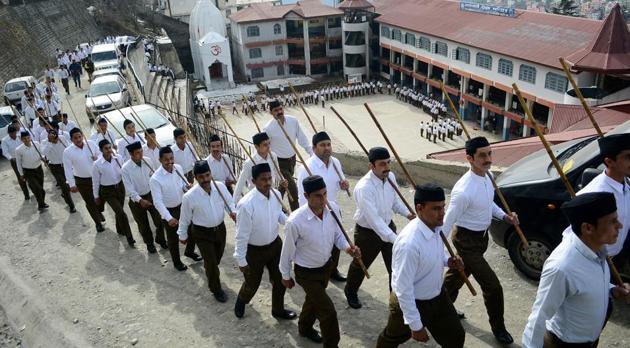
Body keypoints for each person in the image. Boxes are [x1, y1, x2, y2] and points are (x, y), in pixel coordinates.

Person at [522, 192, 630, 347]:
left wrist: (612, 290)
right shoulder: (562, 267)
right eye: (612, 222)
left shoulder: (598, 248)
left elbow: (587, 282)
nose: (620, 225)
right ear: (587, 228)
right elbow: (539, 316)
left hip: (590, 338)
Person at [441, 136, 519, 344]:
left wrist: (505, 217)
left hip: (481, 239)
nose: (488, 159)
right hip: (466, 242)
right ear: (469, 158)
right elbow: (447, 222)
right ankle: (499, 328)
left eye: (490, 153)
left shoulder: (488, 176)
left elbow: (488, 205)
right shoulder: (463, 191)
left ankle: (440, 308)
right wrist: (436, 252)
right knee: (493, 286)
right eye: (482, 155)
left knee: (457, 276)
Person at [376, 184, 466, 348]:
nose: (442, 213)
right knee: (390, 340)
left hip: (438, 297)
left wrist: (448, 261)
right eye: (436, 209)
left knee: (456, 336)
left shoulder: (435, 227)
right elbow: (404, 289)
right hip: (411, 302)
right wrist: (416, 326)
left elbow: (432, 254)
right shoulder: (409, 244)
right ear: (419, 208)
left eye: (443, 207)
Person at [280, 175, 361, 347]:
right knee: (328, 312)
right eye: (318, 195)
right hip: (306, 273)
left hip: (325, 267)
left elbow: (338, 234)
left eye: (325, 193)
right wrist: (285, 275)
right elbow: (287, 252)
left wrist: (348, 248)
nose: (323, 199)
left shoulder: (333, 210)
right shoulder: (295, 221)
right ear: (306, 196)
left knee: (312, 301)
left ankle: (304, 328)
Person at [345, 147, 414, 309]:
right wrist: (396, 239)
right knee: (360, 265)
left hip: (388, 227)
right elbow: (374, 220)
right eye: (382, 164)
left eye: (388, 163)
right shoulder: (364, 188)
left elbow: (395, 202)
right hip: (367, 233)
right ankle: (351, 290)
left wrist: (408, 214)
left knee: (395, 267)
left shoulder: (390, 177)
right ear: (371, 166)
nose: (387, 168)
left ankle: (395, 299)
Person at [233, 163, 296, 319]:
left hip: (275, 245)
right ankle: (241, 300)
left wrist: (289, 222)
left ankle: (278, 310)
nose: (268, 182)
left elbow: (278, 214)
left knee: (280, 278)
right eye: (263, 179)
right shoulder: (246, 205)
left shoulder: (275, 194)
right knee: (252, 283)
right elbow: (241, 235)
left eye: (269, 178)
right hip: (254, 251)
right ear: (254, 181)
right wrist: (241, 260)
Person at [177, 160, 235, 302]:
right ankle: (216, 289)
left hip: (220, 230)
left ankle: (210, 268)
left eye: (207, 175)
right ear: (196, 178)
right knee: (211, 263)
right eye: (201, 177)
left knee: (217, 258)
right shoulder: (189, 197)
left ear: (211, 174)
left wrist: (233, 212)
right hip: (202, 233)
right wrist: (182, 234)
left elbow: (230, 202)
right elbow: (184, 219)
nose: (205, 180)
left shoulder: (220, 186)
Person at [296, 131, 350, 282]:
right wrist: (307, 218)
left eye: (328, 144)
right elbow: (302, 196)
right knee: (318, 242)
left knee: (336, 240)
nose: (326, 148)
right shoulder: (306, 168)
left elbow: (339, 185)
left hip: (333, 209)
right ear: (314, 148)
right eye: (322, 145)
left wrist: (344, 185)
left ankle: (333, 270)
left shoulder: (336, 163)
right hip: (315, 212)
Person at [574, 133, 630, 271]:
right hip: (599, 262)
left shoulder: (626, 182)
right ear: (610, 162)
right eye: (628, 157)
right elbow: (574, 237)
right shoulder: (594, 195)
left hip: (620, 254)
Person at [149, 146, 201, 271]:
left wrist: (186, 187)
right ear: (160, 160)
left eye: (171, 158)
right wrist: (168, 218)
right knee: (173, 239)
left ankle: (189, 252)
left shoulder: (178, 168)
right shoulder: (155, 179)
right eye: (166, 159)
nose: (170, 162)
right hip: (169, 211)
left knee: (192, 230)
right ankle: (177, 262)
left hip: (183, 206)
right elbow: (157, 202)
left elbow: (182, 185)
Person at [263, 99, 313, 210]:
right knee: (292, 188)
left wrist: (310, 151)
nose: (279, 112)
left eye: (281, 109)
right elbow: (266, 148)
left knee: (283, 186)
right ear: (271, 113)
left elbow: (302, 138)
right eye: (276, 110)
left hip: (292, 159)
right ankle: (296, 212)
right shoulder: (268, 129)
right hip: (280, 163)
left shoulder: (293, 121)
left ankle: (273, 205)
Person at [121, 141, 167, 253]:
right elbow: (129, 189)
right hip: (137, 200)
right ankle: (149, 244)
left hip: (151, 194)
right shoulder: (125, 169)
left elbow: (154, 176)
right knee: (143, 224)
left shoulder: (148, 161)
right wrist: (140, 200)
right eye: (137, 153)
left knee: (160, 219)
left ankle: (160, 239)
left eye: (141, 151)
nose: (141, 154)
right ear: (131, 154)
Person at [92, 139, 135, 247]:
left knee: (119, 210)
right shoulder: (97, 164)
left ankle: (119, 229)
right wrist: (96, 196)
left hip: (120, 187)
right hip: (107, 191)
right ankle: (129, 237)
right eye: (106, 148)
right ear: (101, 150)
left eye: (109, 147)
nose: (109, 150)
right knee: (121, 213)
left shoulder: (118, 158)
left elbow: (125, 172)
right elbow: (95, 182)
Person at [63, 128, 104, 232]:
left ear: (82, 136)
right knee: (90, 202)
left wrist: (97, 158)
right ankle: (97, 223)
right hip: (82, 181)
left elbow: (101, 154)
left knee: (100, 199)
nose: (78, 139)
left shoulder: (91, 144)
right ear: (71, 139)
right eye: (75, 138)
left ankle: (99, 212)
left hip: (97, 178)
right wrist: (71, 184)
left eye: (79, 136)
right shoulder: (68, 152)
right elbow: (67, 169)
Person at [233, 132, 286, 203]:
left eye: (269, 143)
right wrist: (233, 204)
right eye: (265, 145)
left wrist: (282, 180)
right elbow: (240, 184)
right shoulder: (249, 163)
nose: (268, 147)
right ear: (256, 147)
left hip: (271, 193)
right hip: (256, 198)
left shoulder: (273, 156)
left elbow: (276, 171)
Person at [42, 129, 76, 212]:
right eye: (53, 138)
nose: (55, 140)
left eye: (56, 138)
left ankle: (64, 194)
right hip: (55, 167)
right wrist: (50, 142)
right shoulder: (45, 142)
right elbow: (44, 152)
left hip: (66, 165)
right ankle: (71, 206)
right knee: (64, 186)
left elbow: (69, 148)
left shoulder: (62, 138)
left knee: (69, 184)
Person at [15, 131, 48, 212]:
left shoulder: (36, 144)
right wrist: (21, 174)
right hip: (29, 172)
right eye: (24, 139)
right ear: (21, 139)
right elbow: (18, 163)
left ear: (30, 137)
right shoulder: (18, 150)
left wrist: (43, 158)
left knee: (40, 187)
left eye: (28, 138)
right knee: (39, 189)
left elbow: (41, 153)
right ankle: (41, 204)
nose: (27, 140)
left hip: (39, 169)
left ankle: (41, 204)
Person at [2, 125, 30, 200]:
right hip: (14, 160)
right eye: (11, 133)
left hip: (24, 157)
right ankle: (26, 194)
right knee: (20, 176)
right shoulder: (4, 140)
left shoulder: (19, 137)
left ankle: (33, 189)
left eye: (14, 133)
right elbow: (5, 152)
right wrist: (11, 158)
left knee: (29, 173)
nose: (13, 135)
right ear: (8, 133)